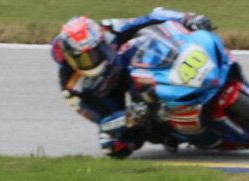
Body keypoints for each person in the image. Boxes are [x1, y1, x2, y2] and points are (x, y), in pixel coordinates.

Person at [50, 8, 214, 158]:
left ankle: (186, 84)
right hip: (109, 97)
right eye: (82, 59)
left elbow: (152, 17)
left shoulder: (108, 29)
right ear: (69, 58)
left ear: (101, 43)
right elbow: (103, 120)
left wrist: (187, 19)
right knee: (114, 144)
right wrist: (129, 116)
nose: (90, 61)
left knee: (156, 45)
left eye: (93, 54)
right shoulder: (72, 86)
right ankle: (171, 133)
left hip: (128, 65)